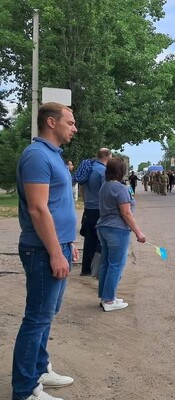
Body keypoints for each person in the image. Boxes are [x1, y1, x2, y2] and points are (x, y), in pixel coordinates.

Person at [12, 102, 79, 400]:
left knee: (47, 314)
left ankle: (39, 368)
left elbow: (57, 206)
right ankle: (25, 390)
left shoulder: (53, 156)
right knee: (36, 318)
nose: (74, 128)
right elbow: (39, 210)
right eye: (70, 122)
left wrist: (67, 245)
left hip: (57, 246)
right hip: (41, 250)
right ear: (51, 122)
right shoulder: (37, 156)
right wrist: (54, 252)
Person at [96, 158, 145, 312]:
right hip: (117, 230)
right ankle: (109, 300)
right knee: (116, 265)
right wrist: (139, 232)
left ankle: (106, 296)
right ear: (121, 171)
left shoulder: (105, 186)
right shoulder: (120, 189)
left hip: (103, 227)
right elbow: (126, 213)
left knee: (106, 263)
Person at [79, 148, 111, 276]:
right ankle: (96, 270)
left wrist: (86, 201)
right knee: (100, 240)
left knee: (89, 239)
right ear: (107, 157)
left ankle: (85, 269)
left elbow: (81, 186)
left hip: (88, 207)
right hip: (99, 209)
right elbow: (105, 192)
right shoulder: (103, 171)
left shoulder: (88, 168)